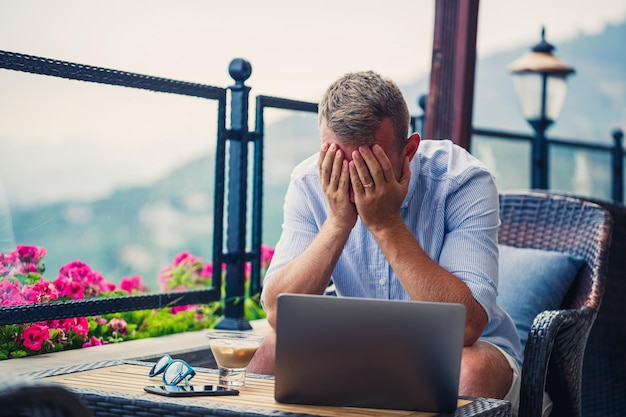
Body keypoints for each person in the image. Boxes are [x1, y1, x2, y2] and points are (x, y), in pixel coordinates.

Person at [248, 70, 523, 414]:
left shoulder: (462, 181)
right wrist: (337, 222)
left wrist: (385, 223)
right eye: (338, 160)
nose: (352, 178)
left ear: (408, 150)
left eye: (370, 164)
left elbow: (466, 328)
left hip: (471, 350)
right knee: (274, 348)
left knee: (470, 370)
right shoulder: (309, 181)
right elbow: (277, 313)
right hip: (361, 344)